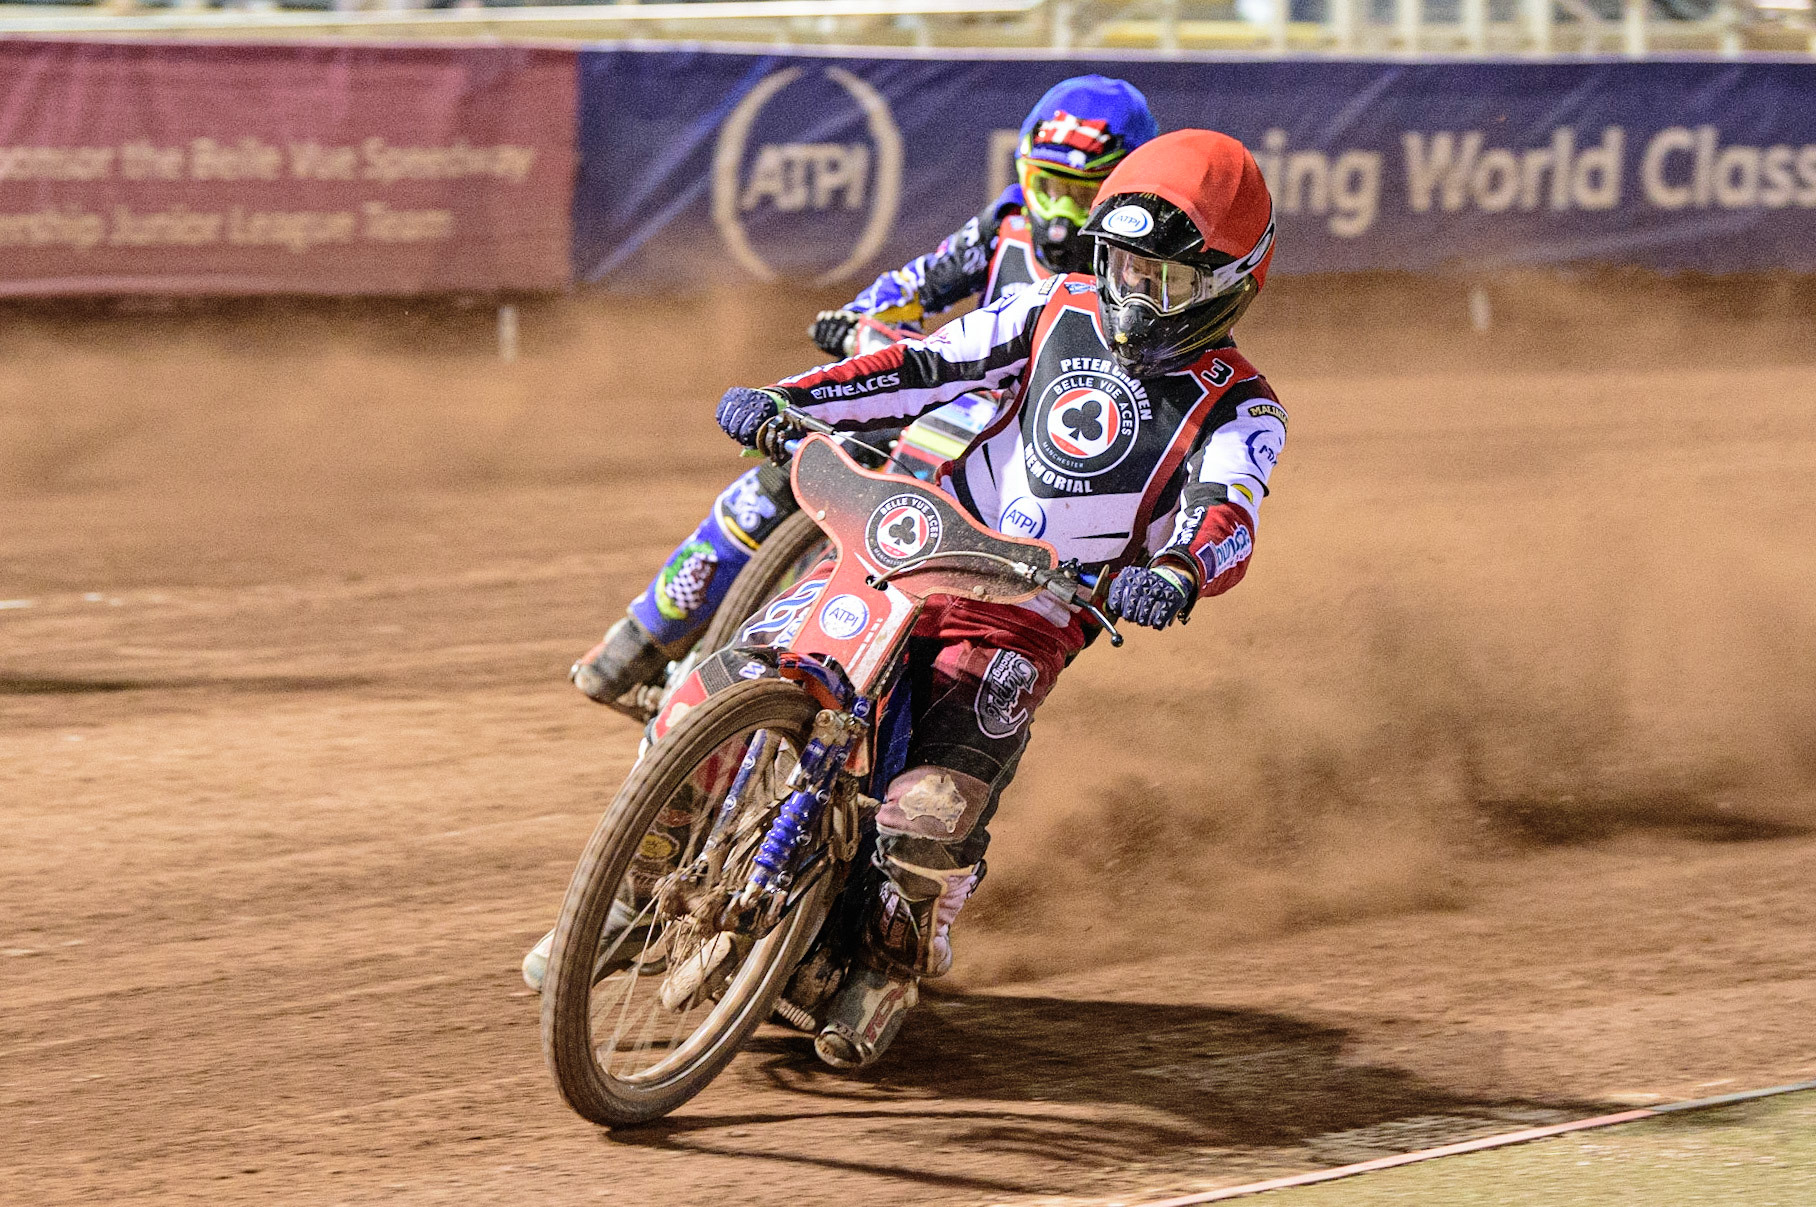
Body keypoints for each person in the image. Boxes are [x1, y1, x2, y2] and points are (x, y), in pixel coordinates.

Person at [712, 128, 1288, 1069]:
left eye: (1166, 281)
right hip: (915, 541)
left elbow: (1226, 511)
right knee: (736, 677)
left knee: (927, 814)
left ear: (1231, 283)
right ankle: (643, 868)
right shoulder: (1046, 308)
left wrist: (1176, 573)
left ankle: (894, 952)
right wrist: (791, 401)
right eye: (1124, 266)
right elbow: (919, 367)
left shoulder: (1240, 407)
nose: (1136, 294)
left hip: (1028, 611)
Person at [565, 75, 1159, 720]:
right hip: (946, 406)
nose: (1062, 214)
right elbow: (916, 283)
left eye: (1084, 194)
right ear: (1023, 173)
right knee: (779, 469)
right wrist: (858, 317)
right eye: (1050, 187)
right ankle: (643, 636)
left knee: (955, 603)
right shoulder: (1006, 226)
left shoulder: (1140, 282)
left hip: (1021, 465)